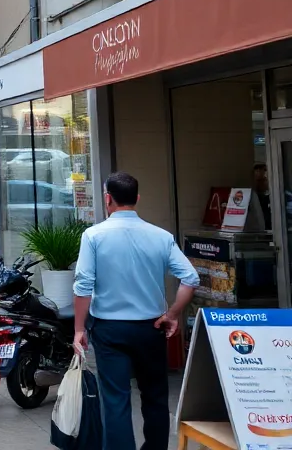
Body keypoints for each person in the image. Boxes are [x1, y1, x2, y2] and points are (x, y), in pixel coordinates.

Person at [73, 172, 199, 450]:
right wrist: (173, 314)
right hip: (151, 328)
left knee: (115, 399)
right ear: (137, 198)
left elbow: (83, 285)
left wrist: (79, 328)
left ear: (107, 198)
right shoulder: (161, 236)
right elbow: (190, 278)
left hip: (109, 329)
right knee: (155, 396)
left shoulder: (93, 236)